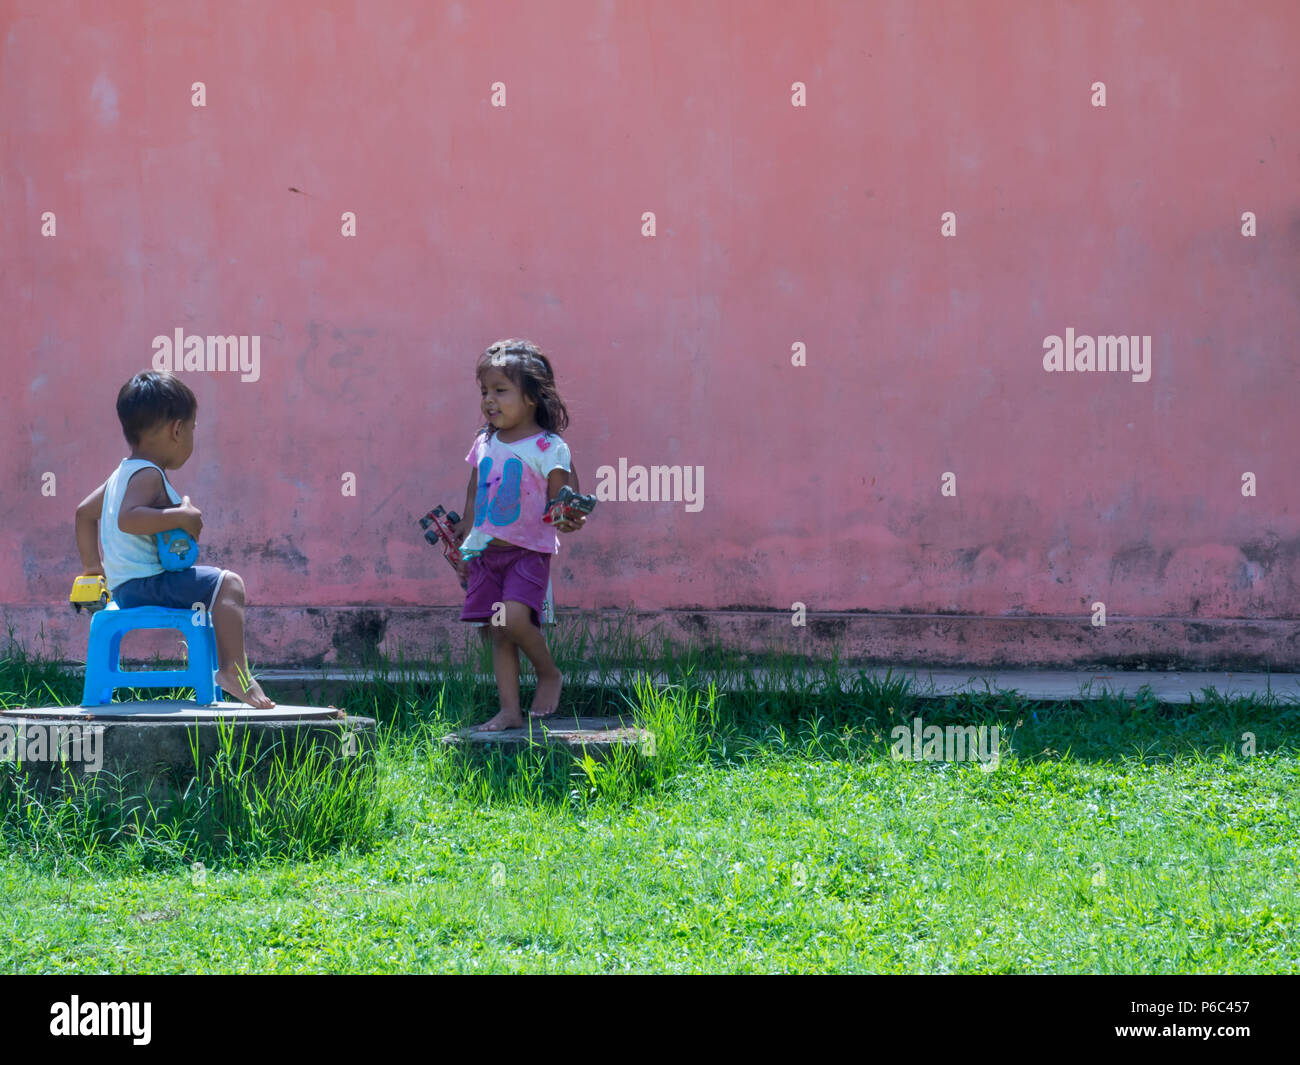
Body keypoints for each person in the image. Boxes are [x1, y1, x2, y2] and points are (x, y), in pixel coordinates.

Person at [73, 371, 275, 708]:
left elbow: (83, 513)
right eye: (193, 428)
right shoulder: (149, 474)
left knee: (217, 585)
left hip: (125, 588)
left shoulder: (119, 475)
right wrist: (181, 516)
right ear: (177, 430)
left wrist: (94, 569)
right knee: (229, 585)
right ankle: (234, 673)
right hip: (150, 584)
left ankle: (230, 671)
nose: (192, 436)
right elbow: (129, 519)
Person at [451, 339, 588, 730]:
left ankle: (548, 672)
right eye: (484, 392)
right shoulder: (486, 441)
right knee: (498, 632)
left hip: (527, 552)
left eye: (500, 390)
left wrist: (568, 514)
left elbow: (565, 496)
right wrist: (465, 525)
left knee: (511, 617)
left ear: (530, 397)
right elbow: (476, 487)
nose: (488, 401)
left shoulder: (548, 446)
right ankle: (509, 710)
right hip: (485, 554)